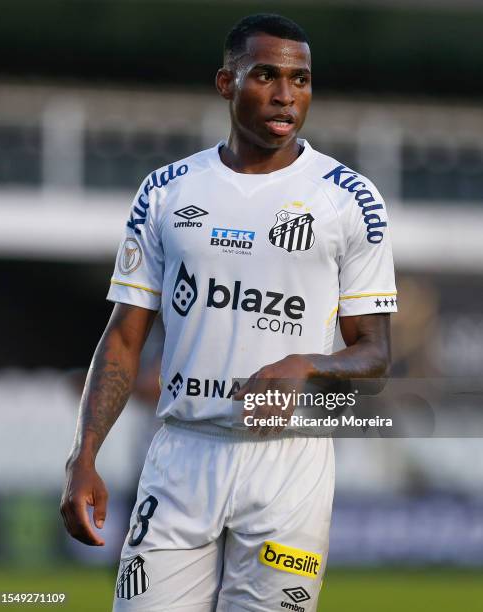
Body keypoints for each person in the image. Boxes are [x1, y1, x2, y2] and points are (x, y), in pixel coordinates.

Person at [60, 13, 397, 612]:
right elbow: (123, 337)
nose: (286, 95)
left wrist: (304, 365)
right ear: (226, 83)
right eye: (266, 75)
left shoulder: (350, 200)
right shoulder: (167, 191)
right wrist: (84, 455)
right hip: (181, 457)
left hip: (290, 467)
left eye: (301, 79)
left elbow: (374, 354)